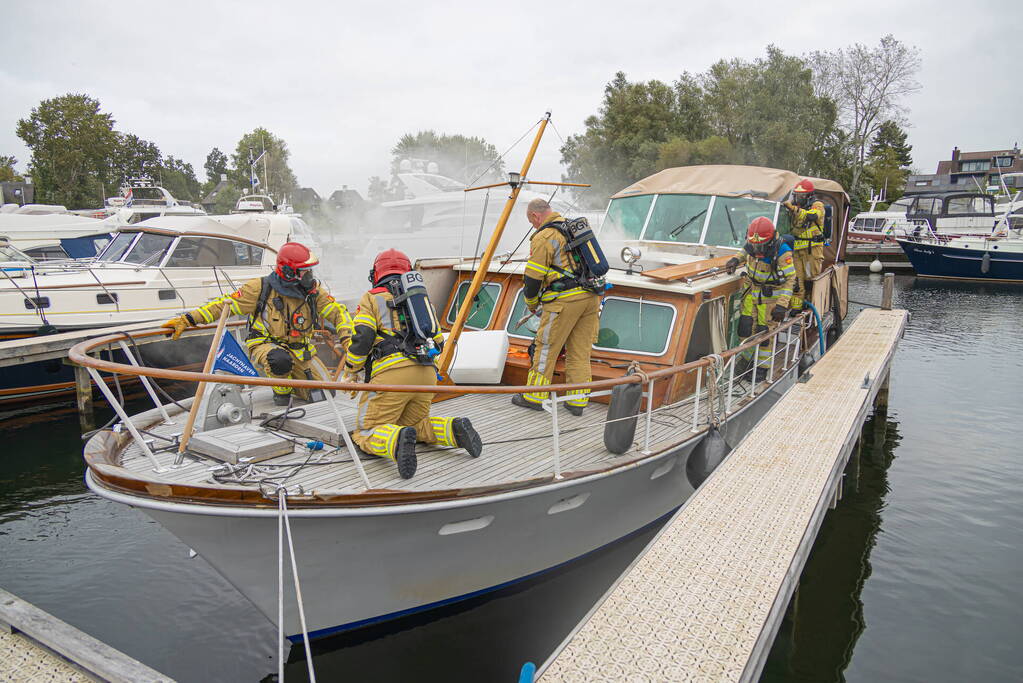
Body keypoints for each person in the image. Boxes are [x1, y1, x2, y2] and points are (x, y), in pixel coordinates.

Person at [342, 249, 482, 479]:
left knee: (367, 430)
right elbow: (438, 339)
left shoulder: (372, 297)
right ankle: (454, 430)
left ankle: (395, 441)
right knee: (416, 424)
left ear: (375, 274)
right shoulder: (421, 299)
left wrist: (351, 369)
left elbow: (363, 336)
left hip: (392, 375)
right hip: (427, 373)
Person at [161, 242, 352, 406]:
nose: (309, 277)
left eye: (310, 271)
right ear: (288, 272)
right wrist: (188, 319)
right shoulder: (259, 289)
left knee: (325, 394)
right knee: (280, 360)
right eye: (304, 272)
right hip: (266, 346)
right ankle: (282, 395)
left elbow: (337, 313)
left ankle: (294, 383)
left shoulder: (313, 293)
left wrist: (348, 339)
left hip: (301, 352)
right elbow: (223, 305)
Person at [512, 198, 601, 416]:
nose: (533, 225)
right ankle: (577, 401)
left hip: (564, 301)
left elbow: (533, 277)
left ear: (535, 216)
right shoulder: (572, 228)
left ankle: (534, 395)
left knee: (546, 348)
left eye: (531, 221)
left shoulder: (545, 236)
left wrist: (531, 303)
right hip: (590, 298)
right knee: (580, 351)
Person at [725, 217, 795, 377]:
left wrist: (782, 305)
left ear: (769, 241)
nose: (756, 250)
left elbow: (791, 279)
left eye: (760, 246)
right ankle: (747, 360)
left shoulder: (782, 251)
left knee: (764, 334)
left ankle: (762, 368)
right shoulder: (753, 243)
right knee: (745, 328)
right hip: (751, 292)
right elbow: (745, 250)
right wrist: (735, 259)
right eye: (754, 245)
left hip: (769, 299)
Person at [782, 178, 825, 311]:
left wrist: (794, 209)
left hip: (812, 251)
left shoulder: (817, 205)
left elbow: (811, 216)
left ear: (809, 196)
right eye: (797, 195)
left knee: (810, 280)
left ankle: (812, 307)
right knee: (796, 282)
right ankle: (796, 309)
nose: (798, 198)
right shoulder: (794, 208)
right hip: (796, 251)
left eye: (802, 196)